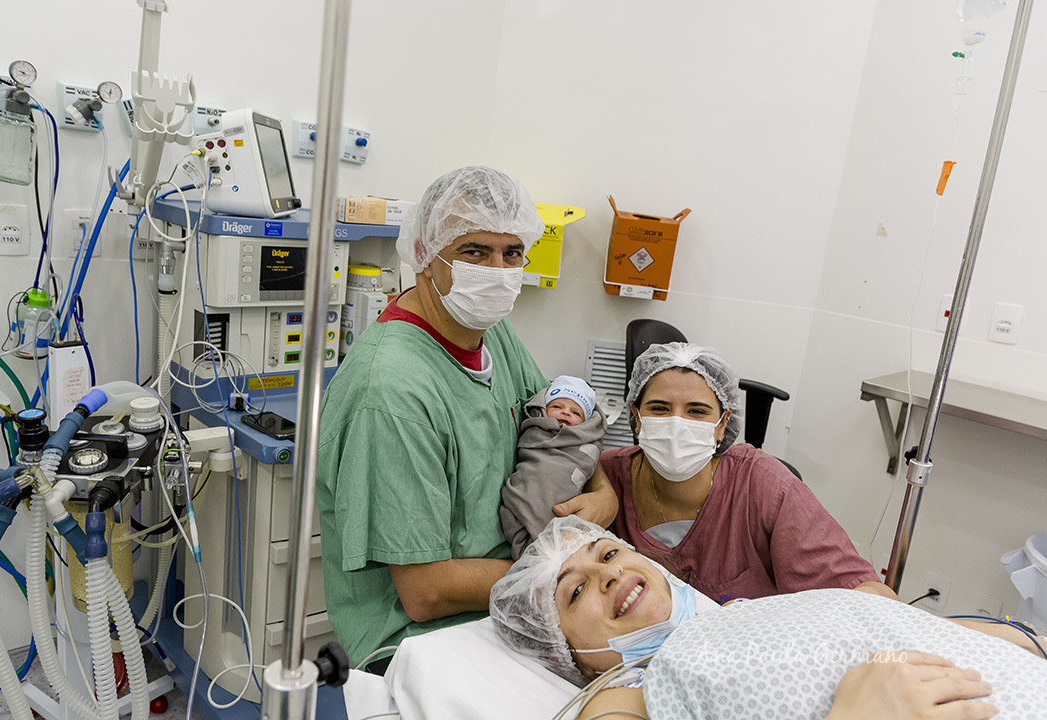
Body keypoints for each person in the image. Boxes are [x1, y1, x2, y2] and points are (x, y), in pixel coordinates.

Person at [314, 166, 617, 671]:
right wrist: (560, 571)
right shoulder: (390, 390)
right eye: (474, 251)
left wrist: (603, 491)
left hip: (514, 593)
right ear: (423, 256)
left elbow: (561, 423)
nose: (497, 270)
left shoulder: (488, 331)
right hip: (422, 639)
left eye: (512, 252)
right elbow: (427, 592)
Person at [490, 516, 1045, 720]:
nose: (607, 575)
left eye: (608, 554)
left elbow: (871, 624)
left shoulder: (743, 613)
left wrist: (1011, 636)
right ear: (563, 653)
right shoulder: (626, 693)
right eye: (574, 592)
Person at [602, 341, 895, 603]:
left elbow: (863, 591)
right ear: (636, 416)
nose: (677, 424)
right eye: (660, 408)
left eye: (697, 411)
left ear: (722, 423)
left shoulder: (762, 484)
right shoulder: (605, 477)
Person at [500, 375, 607, 560]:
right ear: (543, 409)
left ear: (585, 423)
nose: (566, 413)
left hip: (559, 503)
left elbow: (587, 464)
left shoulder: (584, 443)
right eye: (557, 407)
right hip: (524, 493)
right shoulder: (535, 429)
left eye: (576, 413)